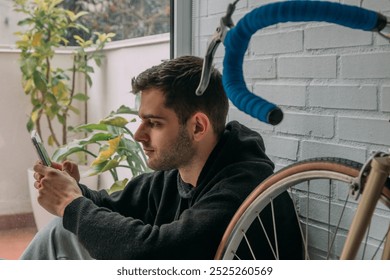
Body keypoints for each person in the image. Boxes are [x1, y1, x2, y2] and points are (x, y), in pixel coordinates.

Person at [21, 55, 301, 260]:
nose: (138, 134)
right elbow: (111, 206)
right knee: (64, 230)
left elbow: (155, 255)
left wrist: (71, 205)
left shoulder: (242, 187)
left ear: (197, 127)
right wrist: (73, 191)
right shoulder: (176, 175)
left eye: (153, 123)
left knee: (64, 230)